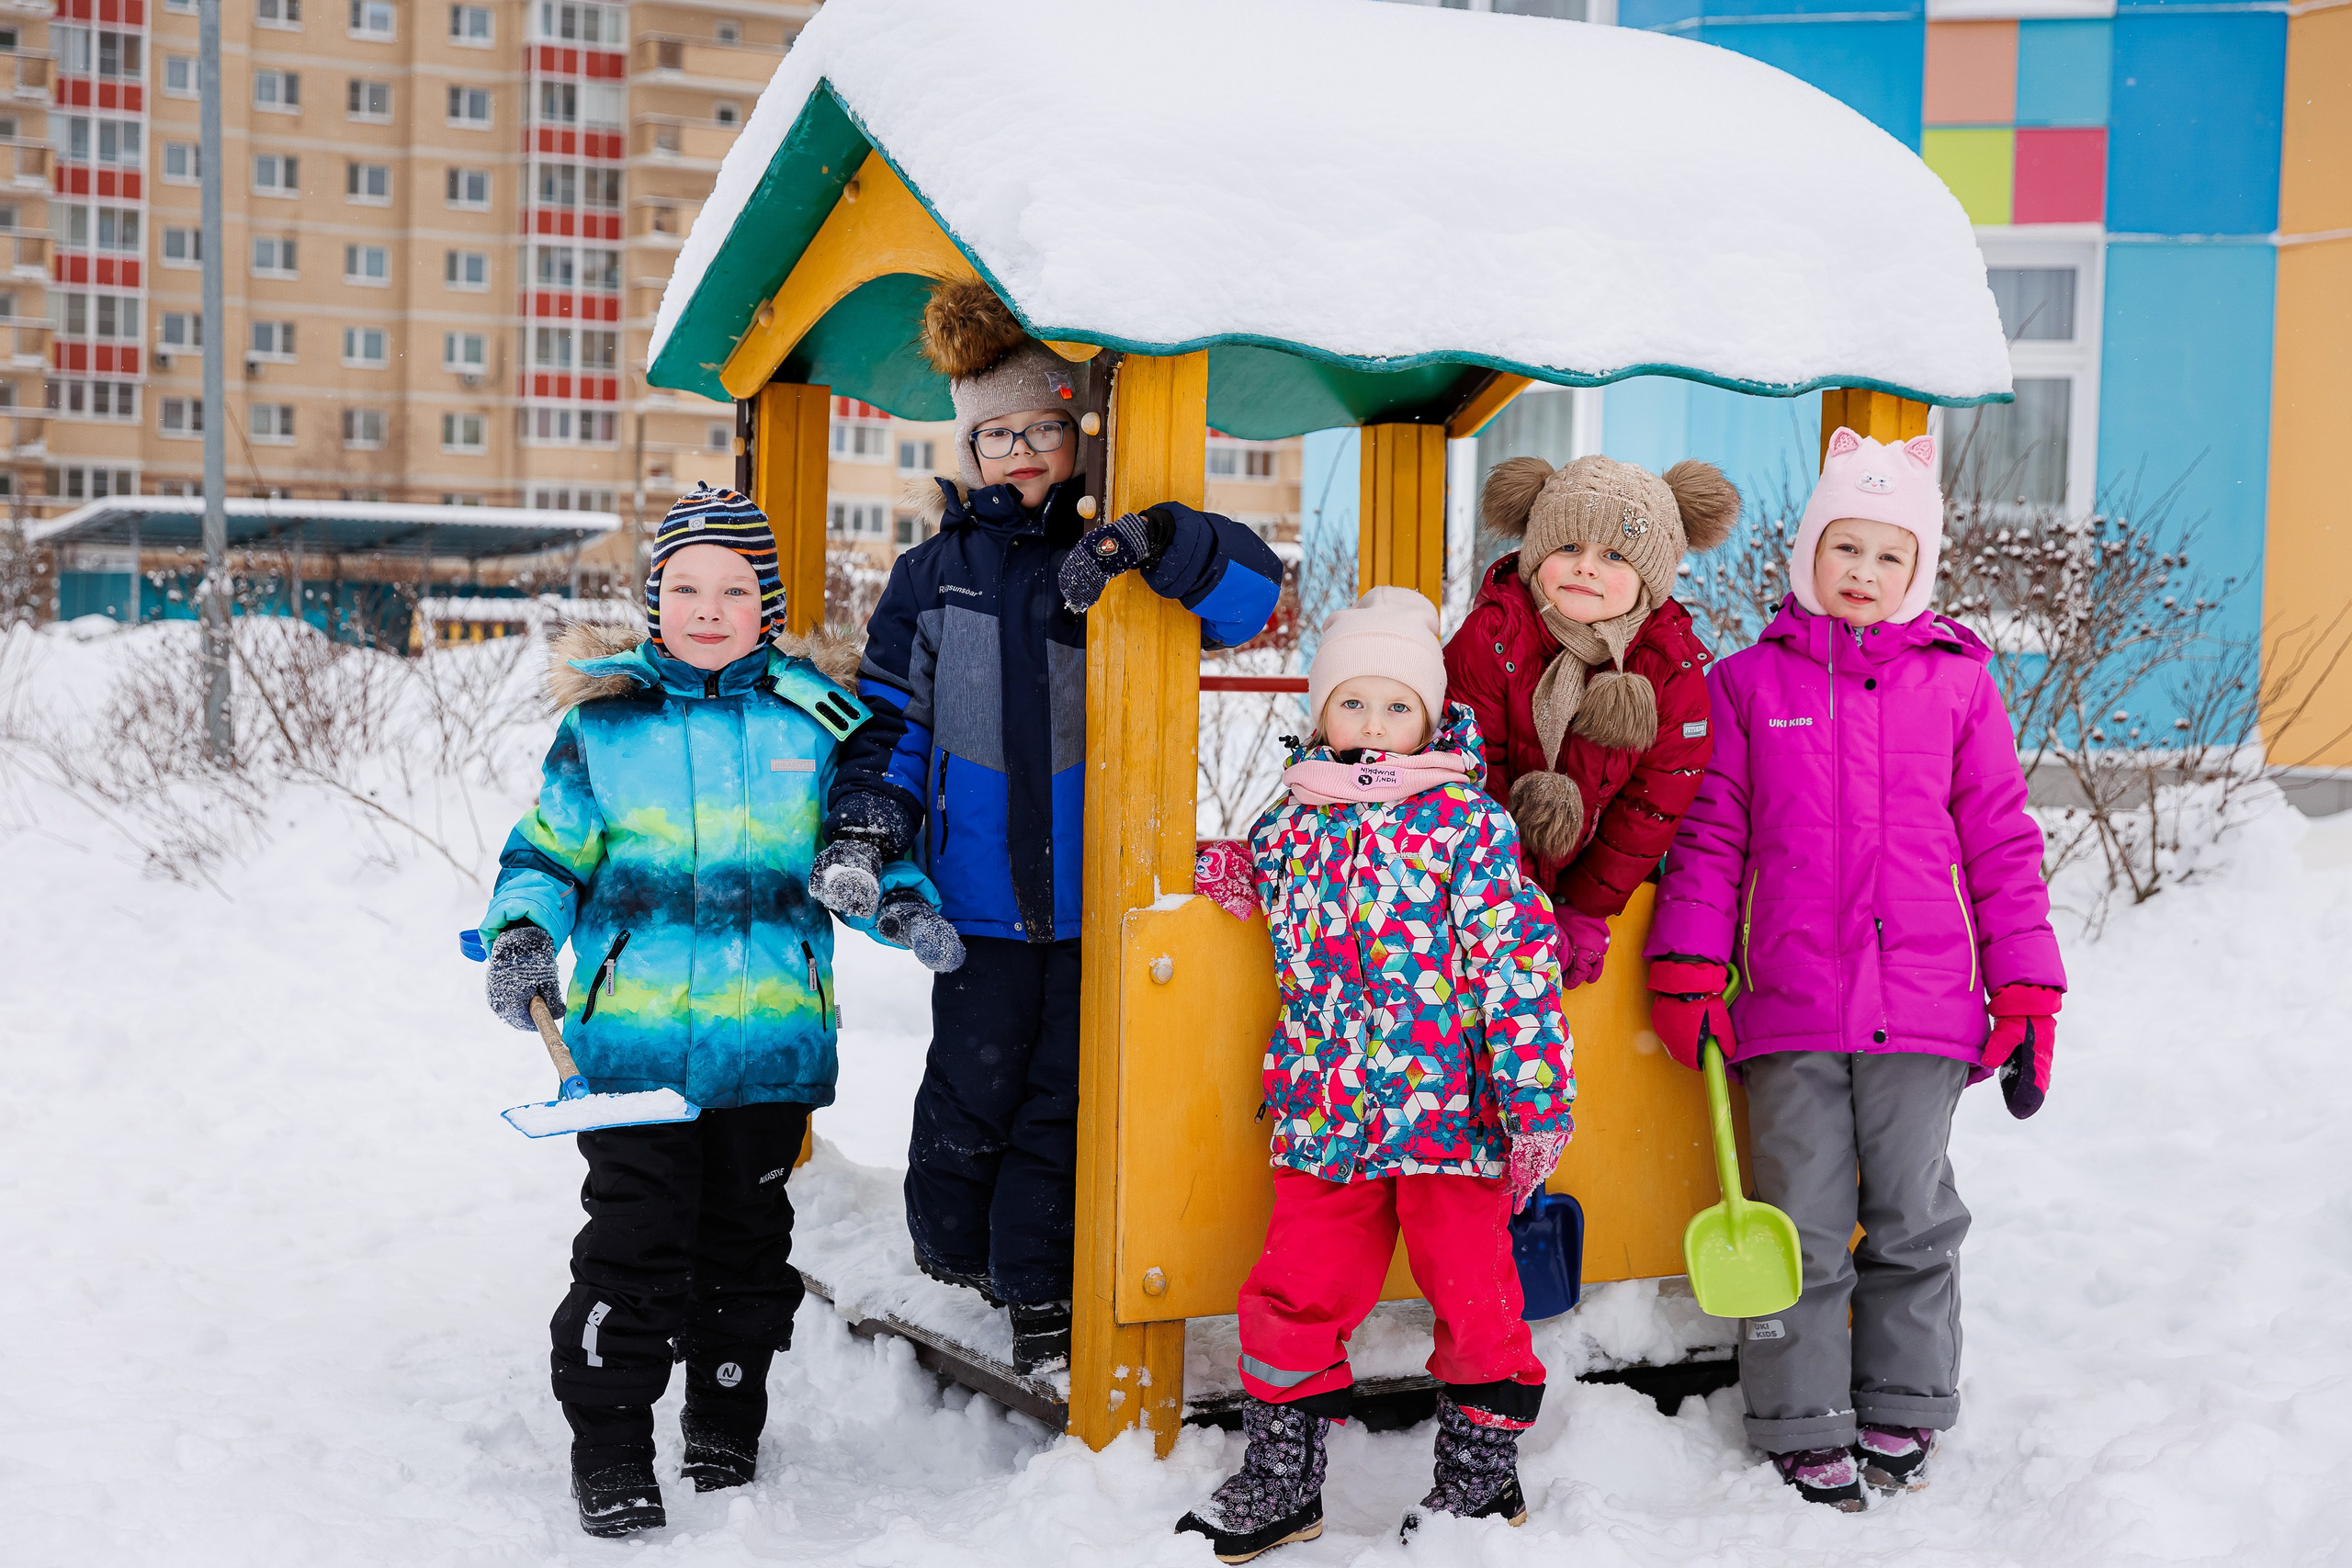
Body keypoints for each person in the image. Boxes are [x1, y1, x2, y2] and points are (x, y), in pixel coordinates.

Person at [805, 279, 1284, 1374]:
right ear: (970, 450)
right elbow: (889, 715)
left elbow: (1254, 601)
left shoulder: (1120, 557)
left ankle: (1038, 1296)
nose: (1019, 453)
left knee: (1059, 1108)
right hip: (974, 902)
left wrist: (1155, 544)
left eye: (1041, 430)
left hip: (1098, 900)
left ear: (1077, 437)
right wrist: (870, 826)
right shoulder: (933, 576)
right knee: (969, 1087)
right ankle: (952, 1253)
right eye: (995, 435)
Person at [477, 483, 947, 1538]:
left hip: (770, 1045)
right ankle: (609, 1446)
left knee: (747, 1245)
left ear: (767, 607)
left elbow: (860, 857)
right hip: (632, 1049)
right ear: (653, 601)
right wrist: (522, 933)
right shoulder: (604, 723)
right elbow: (547, 851)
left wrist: (902, 907)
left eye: (733, 589)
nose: (706, 607)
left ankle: (725, 1417)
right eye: (683, 586)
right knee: (633, 1246)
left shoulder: (814, 722)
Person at [1645, 429, 2065, 1510]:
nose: (1865, 574)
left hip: (1926, 1015)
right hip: (1788, 1011)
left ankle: (1904, 1401)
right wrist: (1689, 965)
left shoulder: (1960, 692)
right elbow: (1710, 842)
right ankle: (1800, 1415)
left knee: (1916, 1220)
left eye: (1890, 555)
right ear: (1808, 556)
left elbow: (2003, 845)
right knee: (1802, 1223)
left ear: (1918, 568)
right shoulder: (1747, 687)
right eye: (1846, 548)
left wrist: (2024, 987)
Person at [1176, 588, 1574, 1562]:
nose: (1373, 727)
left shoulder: (1467, 828)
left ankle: (1479, 1476)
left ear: (1432, 717)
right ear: (1319, 712)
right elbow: (1257, 889)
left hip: (1451, 1122)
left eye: (1397, 706)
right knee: (1293, 1289)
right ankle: (1282, 1476)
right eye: (1352, 703)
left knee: (1473, 1292)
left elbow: (1514, 965)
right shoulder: (1288, 826)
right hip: (1327, 1115)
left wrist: (1533, 1102)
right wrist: (1211, 873)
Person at [1444, 453, 1738, 987]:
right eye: (1569, 546)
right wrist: (1523, 905)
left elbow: (1654, 801)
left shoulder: (1669, 667)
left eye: (1614, 556)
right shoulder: (1491, 639)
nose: (1586, 567)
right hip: (1482, 887)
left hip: (1600, 883)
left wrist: (1584, 908)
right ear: (1535, 554)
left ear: (1650, 581)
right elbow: (1475, 779)